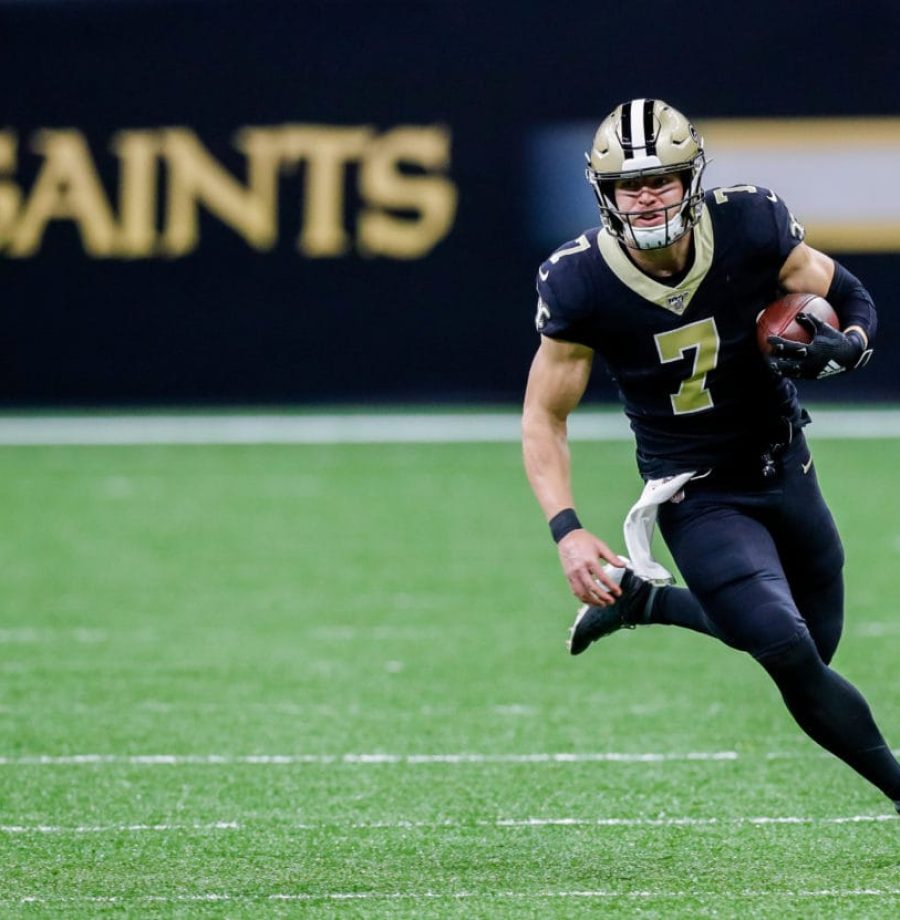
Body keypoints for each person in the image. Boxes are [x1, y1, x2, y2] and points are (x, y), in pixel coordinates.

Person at [521, 98, 900, 813]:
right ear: (605, 194)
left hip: (785, 460)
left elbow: (844, 291)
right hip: (696, 492)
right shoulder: (580, 281)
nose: (647, 196)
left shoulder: (751, 224)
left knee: (814, 645)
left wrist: (849, 344)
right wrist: (566, 529)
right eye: (630, 185)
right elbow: (544, 417)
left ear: (692, 177)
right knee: (788, 655)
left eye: (661, 179)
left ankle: (646, 602)